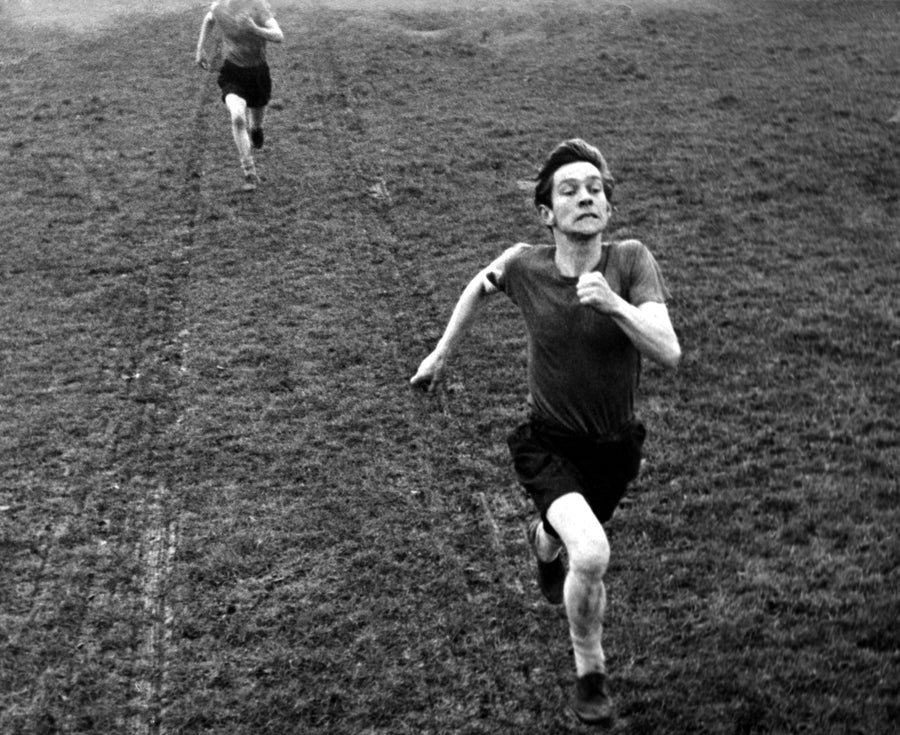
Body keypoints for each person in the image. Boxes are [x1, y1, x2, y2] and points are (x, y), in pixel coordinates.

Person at [410, 139, 681, 725]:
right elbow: (477, 287)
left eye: (596, 189)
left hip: (615, 448)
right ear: (547, 215)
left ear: (607, 207)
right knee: (592, 551)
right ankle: (591, 670)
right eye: (570, 190)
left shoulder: (632, 262)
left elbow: (669, 351)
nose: (586, 196)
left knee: (569, 543)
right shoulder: (524, 265)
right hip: (548, 442)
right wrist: (439, 354)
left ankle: (540, 537)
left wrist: (616, 306)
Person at [195, 0, 284, 192]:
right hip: (232, 73)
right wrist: (200, 48)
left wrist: (254, 29)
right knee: (237, 117)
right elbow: (209, 18)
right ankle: (249, 172)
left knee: (255, 123)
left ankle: (257, 129)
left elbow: (279, 36)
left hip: (258, 74)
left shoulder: (257, 6)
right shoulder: (219, 6)